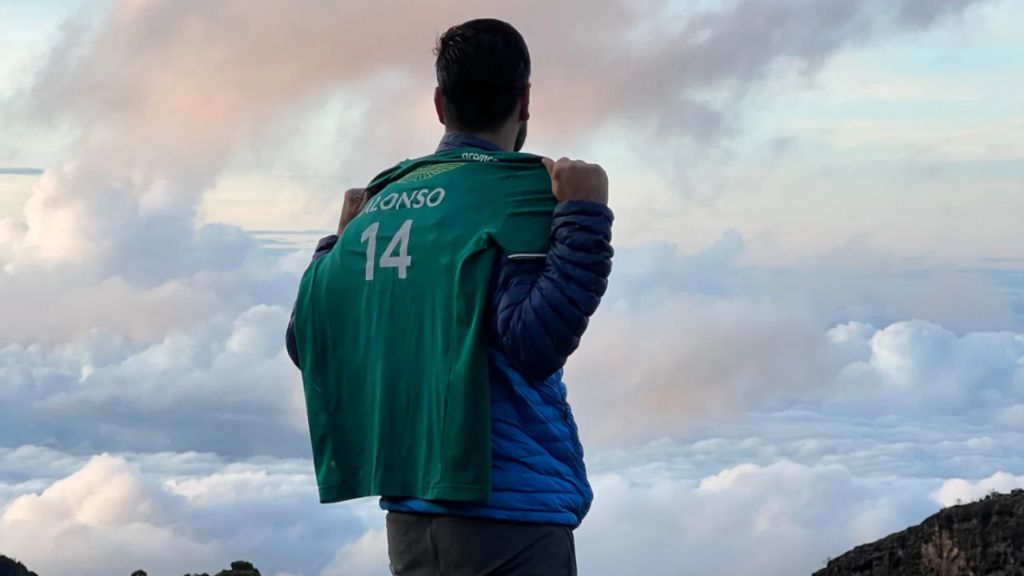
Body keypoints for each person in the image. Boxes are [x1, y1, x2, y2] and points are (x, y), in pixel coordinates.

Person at [287, 18, 613, 576]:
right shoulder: (519, 195)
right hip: (511, 517)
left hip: (411, 520)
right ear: (525, 102)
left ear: (440, 103)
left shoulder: (382, 200)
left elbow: (307, 339)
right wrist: (584, 218)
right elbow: (535, 342)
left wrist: (333, 248)